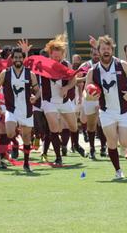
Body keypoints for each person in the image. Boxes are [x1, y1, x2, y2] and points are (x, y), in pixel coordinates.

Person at [85, 35, 127, 179]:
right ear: (99, 51)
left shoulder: (122, 64)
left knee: (125, 142)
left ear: (112, 50)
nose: (106, 51)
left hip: (125, 110)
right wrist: (90, 96)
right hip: (106, 111)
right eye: (103, 49)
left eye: (108, 48)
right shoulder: (93, 71)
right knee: (111, 141)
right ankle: (118, 171)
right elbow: (86, 90)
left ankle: (125, 148)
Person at [41, 34, 85, 166]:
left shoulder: (67, 64)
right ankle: (58, 157)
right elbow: (30, 67)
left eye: (59, 56)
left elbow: (73, 80)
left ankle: (76, 145)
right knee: (54, 128)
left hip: (65, 101)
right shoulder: (44, 65)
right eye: (55, 57)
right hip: (49, 101)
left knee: (73, 126)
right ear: (50, 54)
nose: (57, 59)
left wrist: (66, 88)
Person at [0, 47, 40, 172]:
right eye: (15, 57)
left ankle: (26, 162)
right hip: (11, 108)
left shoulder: (30, 74)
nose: (18, 59)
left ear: (23, 59)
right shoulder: (5, 73)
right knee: (9, 132)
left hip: (26, 110)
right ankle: (6, 154)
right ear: (12, 59)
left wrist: (35, 97)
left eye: (20, 57)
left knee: (26, 137)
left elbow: (38, 90)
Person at [78, 47, 107, 159]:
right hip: (90, 97)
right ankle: (92, 148)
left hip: (103, 98)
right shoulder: (85, 66)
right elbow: (77, 80)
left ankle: (103, 147)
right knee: (90, 125)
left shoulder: (106, 66)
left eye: (97, 54)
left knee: (102, 123)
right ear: (90, 54)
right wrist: (84, 96)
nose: (96, 56)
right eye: (94, 54)